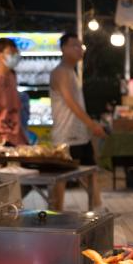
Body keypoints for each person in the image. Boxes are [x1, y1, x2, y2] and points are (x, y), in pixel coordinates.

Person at [49, 33, 105, 209]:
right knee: (60, 180)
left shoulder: (72, 72)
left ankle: (97, 209)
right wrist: (92, 124)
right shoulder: (60, 72)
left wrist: (88, 127)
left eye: (81, 46)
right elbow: (70, 102)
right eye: (75, 45)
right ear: (63, 48)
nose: (80, 50)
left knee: (91, 172)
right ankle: (55, 215)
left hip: (80, 134)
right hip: (65, 136)